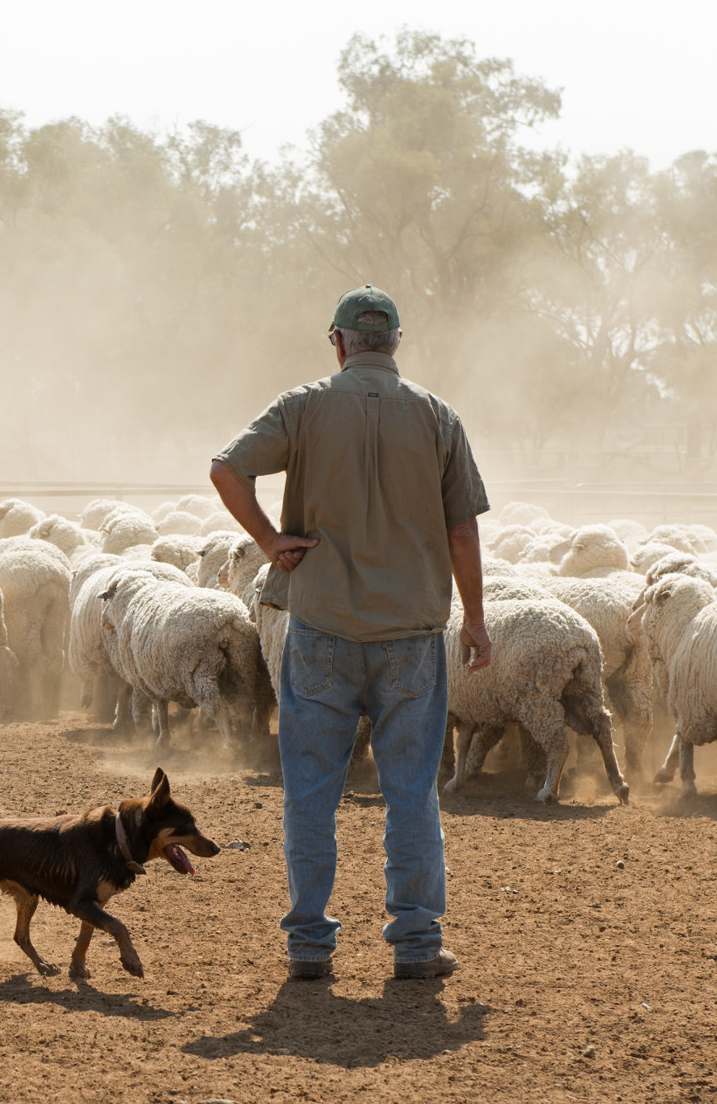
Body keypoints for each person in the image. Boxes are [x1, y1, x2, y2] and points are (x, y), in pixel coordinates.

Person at [209, 284, 492, 982]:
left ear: (337, 340)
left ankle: (309, 943)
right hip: (410, 635)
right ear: (394, 341)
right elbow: (461, 527)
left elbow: (225, 467)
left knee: (310, 792)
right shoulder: (435, 416)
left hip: (322, 629)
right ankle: (417, 943)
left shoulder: (303, 406)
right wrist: (476, 619)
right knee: (409, 792)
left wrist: (272, 541)